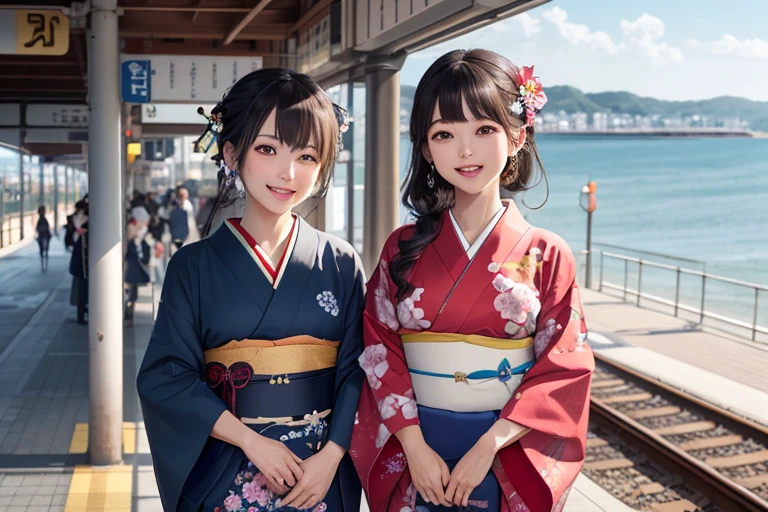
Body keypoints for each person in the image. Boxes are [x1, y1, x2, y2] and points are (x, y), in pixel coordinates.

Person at [350, 49, 595, 512]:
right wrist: (414, 446)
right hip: (415, 454)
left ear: (518, 135)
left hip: (504, 456)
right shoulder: (402, 249)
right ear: (425, 148)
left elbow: (564, 366)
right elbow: (379, 347)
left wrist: (489, 446)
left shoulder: (547, 254)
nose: (466, 151)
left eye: (485, 130)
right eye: (445, 134)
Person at [136, 68, 363, 512]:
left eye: (308, 156)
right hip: (227, 469)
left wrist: (333, 455)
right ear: (232, 154)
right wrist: (249, 440)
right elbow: (165, 375)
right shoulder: (193, 266)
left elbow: (358, 370)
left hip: (318, 474)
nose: (288, 171)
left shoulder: (340, 261)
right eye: (267, 149)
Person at [125, 206, 153, 322]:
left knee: (133, 286)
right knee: (130, 286)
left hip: (134, 262)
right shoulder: (132, 227)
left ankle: (130, 306)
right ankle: (129, 307)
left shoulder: (136, 226)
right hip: (131, 262)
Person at [68, 198, 89, 325]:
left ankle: (81, 314)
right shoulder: (85, 220)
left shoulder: (75, 218)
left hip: (78, 263)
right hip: (83, 264)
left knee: (80, 289)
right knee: (83, 290)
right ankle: (82, 315)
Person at [36, 205, 52, 272]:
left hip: (42, 236)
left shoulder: (41, 220)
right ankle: (45, 265)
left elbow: (37, 229)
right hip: (45, 236)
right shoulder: (43, 220)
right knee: (45, 251)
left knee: (42, 251)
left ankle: (43, 265)